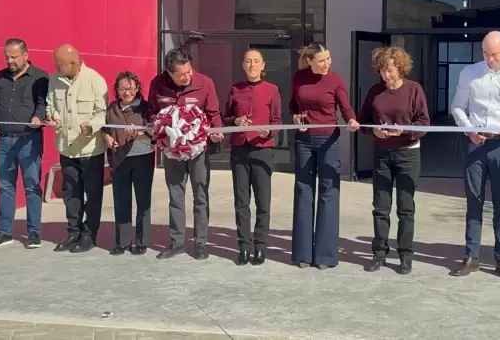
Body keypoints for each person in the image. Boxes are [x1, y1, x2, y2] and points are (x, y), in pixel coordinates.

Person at [448, 31, 500, 281]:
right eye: (485, 53)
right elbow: (457, 107)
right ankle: (471, 256)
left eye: (494, 54)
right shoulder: (470, 73)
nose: (489, 59)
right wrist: (468, 128)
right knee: (474, 201)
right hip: (475, 143)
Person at [358, 46, 430, 275]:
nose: (386, 75)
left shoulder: (414, 89)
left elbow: (424, 123)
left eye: (390, 70)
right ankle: (379, 253)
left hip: (408, 154)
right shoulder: (374, 91)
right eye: (382, 70)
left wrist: (405, 131)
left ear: (400, 68)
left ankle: (405, 255)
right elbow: (364, 121)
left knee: (406, 208)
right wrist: (374, 131)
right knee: (381, 207)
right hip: (382, 154)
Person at [148, 47, 223, 260]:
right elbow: (152, 113)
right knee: (175, 196)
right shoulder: (157, 84)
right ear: (169, 73)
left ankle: (201, 242)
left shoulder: (205, 82)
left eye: (189, 70)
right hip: (172, 152)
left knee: (200, 196)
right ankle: (177, 241)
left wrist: (216, 131)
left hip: (198, 151)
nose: (187, 76)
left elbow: (213, 113)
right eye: (182, 74)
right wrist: (157, 128)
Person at [290, 42, 359, 269]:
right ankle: (303, 254)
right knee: (303, 190)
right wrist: (296, 118)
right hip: (303, 140)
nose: (326, 63)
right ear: (310, 61)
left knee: (328, 192)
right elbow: (293, 105)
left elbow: (345, 107)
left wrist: (351, 120)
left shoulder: (335, 79)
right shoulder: (299, 77)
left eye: (328, 58)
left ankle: (325, 256)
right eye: (321, 60)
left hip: (328, 139)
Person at [0, 38, 50, 250]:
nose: (9, 60)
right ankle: (4, 232)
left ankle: (33, 232)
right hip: (4, 140)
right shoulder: (0, 77)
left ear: (25, 55)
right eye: (7, 56)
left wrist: (38, 117)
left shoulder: (40, 76)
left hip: (29, 139)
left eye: (14, 56)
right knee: (5, 186)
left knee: (31, 185)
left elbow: (43, 103)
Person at [45, 44, 108, 254]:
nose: (56, 68)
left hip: (90, 150)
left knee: (92, 193)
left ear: (74, 63)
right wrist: (52, 117)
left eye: (60, 65)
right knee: (71, 193)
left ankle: (90, 234)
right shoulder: (55, 80)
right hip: (66, 147)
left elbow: (102, 112)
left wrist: (91, 126)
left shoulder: (94, 80)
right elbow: (50, 104)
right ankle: (73, 232)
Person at [224, 48, 281, 266]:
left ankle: (260, 246)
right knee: (241, 201)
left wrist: (269, 132)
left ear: (263, 65)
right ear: (243, 65)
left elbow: (277, 120)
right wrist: (235, 122)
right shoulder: (235, 89)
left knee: (262, 200)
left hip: (262, 149)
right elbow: (225, 116)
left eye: (256, 61)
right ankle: (244, 246)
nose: (252, 65)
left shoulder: (272, 90)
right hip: (239, 149)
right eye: (248, 61)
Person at [103, 71, 154, 256]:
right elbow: (104, 128)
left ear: (138, 88)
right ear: (117, 90)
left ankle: (142, 241)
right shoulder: (112, 108)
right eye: (123, 88)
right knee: (121, 201)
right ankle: (122, 242)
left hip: (142, 158)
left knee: (143, 201)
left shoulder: (146, 107)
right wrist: (108, 137)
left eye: (131, 88)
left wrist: (137, 135)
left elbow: (153, 132)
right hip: (119, 160)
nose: (127, 92)